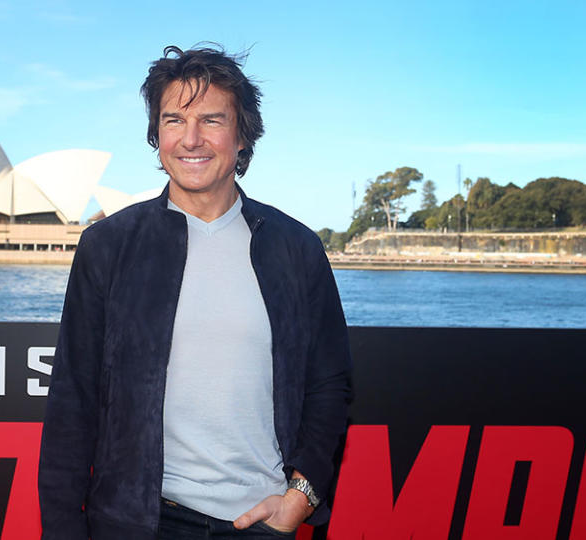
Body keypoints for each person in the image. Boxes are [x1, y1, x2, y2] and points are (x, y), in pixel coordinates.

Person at [39, 44, 352, 540]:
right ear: (155, 135)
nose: (190, 139)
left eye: (211, 120)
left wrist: (302, 496)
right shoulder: (108, 246)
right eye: (172, 120)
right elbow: (72, 402)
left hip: (261, 522)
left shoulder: (296, 248)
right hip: (138, 522)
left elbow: (329, 384)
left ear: (243, 135)